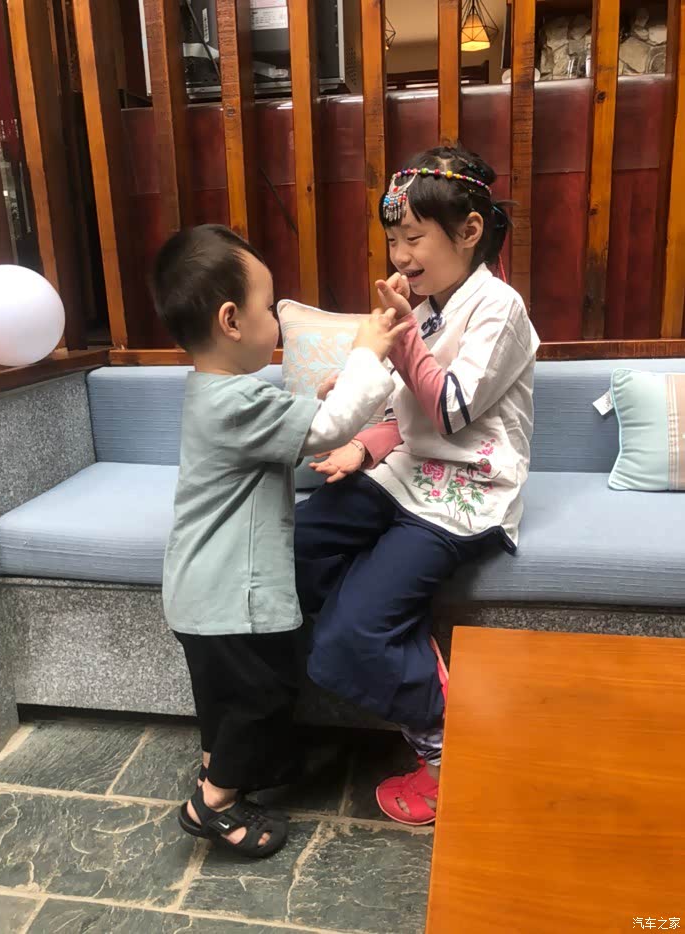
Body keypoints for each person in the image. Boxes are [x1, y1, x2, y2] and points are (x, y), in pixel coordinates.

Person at [294, 145, 540, 825]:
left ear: (469, 231)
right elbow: (401, 411)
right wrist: (362, 444)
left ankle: (445, 747)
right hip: (402, 471)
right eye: (393, 240)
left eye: (412, 238)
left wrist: (398, 337)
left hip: (465, 494)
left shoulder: (500, 309)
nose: (400, 255)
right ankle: (385, 623)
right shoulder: (429, 306)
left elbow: (451, 410)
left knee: (347, 637)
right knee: (296, 543)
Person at [151, 224, 407, 857]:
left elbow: (290, 426)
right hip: (229, 596)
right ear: (231, 320)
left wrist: (318, 399)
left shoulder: (218, 392)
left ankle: (216, 771)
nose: (276, 321)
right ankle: (212, 804)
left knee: (223, 698)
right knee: (258, 697)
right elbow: (327, 428)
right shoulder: (235, 403)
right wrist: (366, 353)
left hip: (202, 592)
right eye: (269, 307)